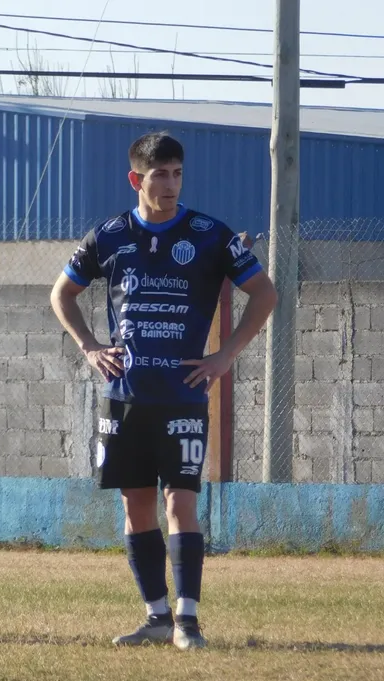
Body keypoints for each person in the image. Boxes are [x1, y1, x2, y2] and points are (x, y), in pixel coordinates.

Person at [49, 131, 277, 651]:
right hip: (125, 396)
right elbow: (61, 293)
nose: (171, 184)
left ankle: (187, 621)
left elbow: (264, 294)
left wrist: (225, 355)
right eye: (160, 175)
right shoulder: (108, 235)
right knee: (136, 505)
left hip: (183, 395)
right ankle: (154, 616)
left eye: (177, 173)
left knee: (182, 501)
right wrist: (88, 346)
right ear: (137, 179)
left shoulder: (209, 235)